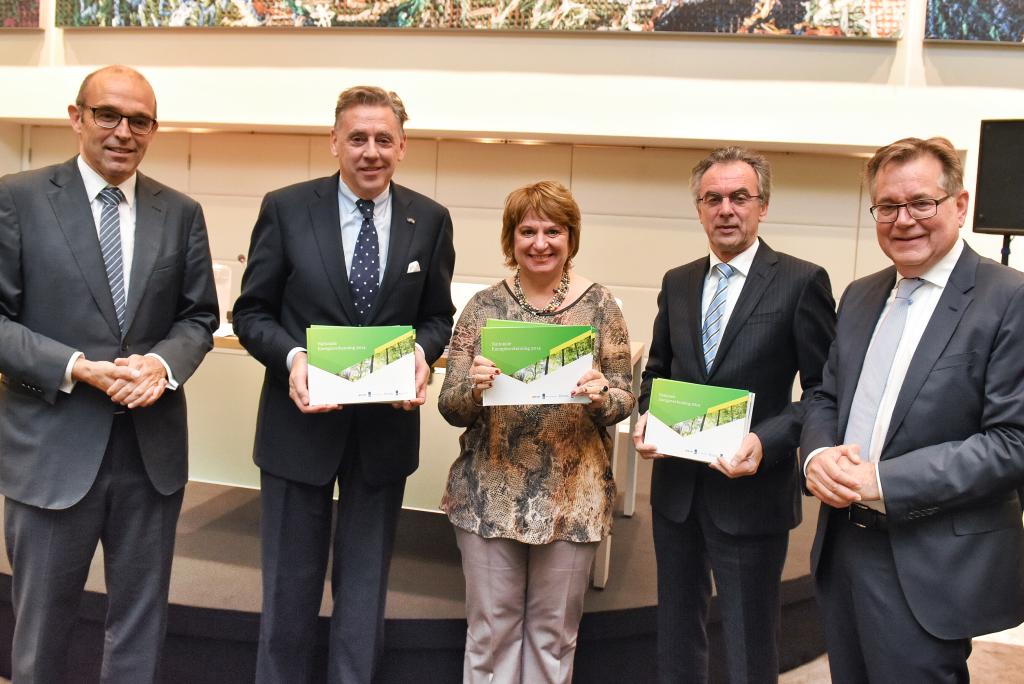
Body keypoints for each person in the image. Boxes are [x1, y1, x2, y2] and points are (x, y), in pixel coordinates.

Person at [0, 65, 219, 682]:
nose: (124, 132)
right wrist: (73, 367)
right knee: (41, 628)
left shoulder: (180, 211)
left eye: (140, 121)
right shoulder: (16, 198)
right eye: (108, 116)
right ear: (77, 117)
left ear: (154, 130)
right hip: (52, 451)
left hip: (150, 457)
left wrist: (161, 364)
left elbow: (199, 316)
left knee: (140, 625)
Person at [232, 85, 456, 684]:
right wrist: (294, 360)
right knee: (288, 593)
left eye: (384, 138)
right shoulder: (284, 208)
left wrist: (422, 355)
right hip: (297, 427)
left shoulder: (429, 220)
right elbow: (251, 313)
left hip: (382, 434)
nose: (370, 151)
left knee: (364, 596)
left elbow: (438, 317)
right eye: (357, 137)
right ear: (334, 142)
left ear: (403, 146)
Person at [801, 136, 1024, 683]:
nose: (904, 220)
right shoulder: (859, 295)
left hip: (929, 562)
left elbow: (1012, 442)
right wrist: (817, 457)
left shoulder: (1008, 299)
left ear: (960, 204)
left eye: (922, 202)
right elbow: (826, 397)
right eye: (888, 207)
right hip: (843, 545)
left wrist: (883, 480)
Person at [633, 146, 836, 683]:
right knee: (676, 633)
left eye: (739, 197)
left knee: (748, 642)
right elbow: (656, 372)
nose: (726, 209)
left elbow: (822, 392)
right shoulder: (677, 281)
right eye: (713, 198)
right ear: (699, 208)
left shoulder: (801, 281)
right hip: (677, 492)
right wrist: (648, 415)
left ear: (762, 206)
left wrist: (766, 443)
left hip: (753, 492)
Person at [438, 180, 634, 684]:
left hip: (573, 497)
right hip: (490, 493)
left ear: (571, 237)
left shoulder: (600, 306)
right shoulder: (482, 308)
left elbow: (624, 396)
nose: (540, 242)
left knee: (553, 635)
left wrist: (601, 395)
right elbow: (450, 405)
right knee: (490, 633)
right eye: (528, 230)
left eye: (553, 230)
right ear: (511, 238)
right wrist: (474, 387)